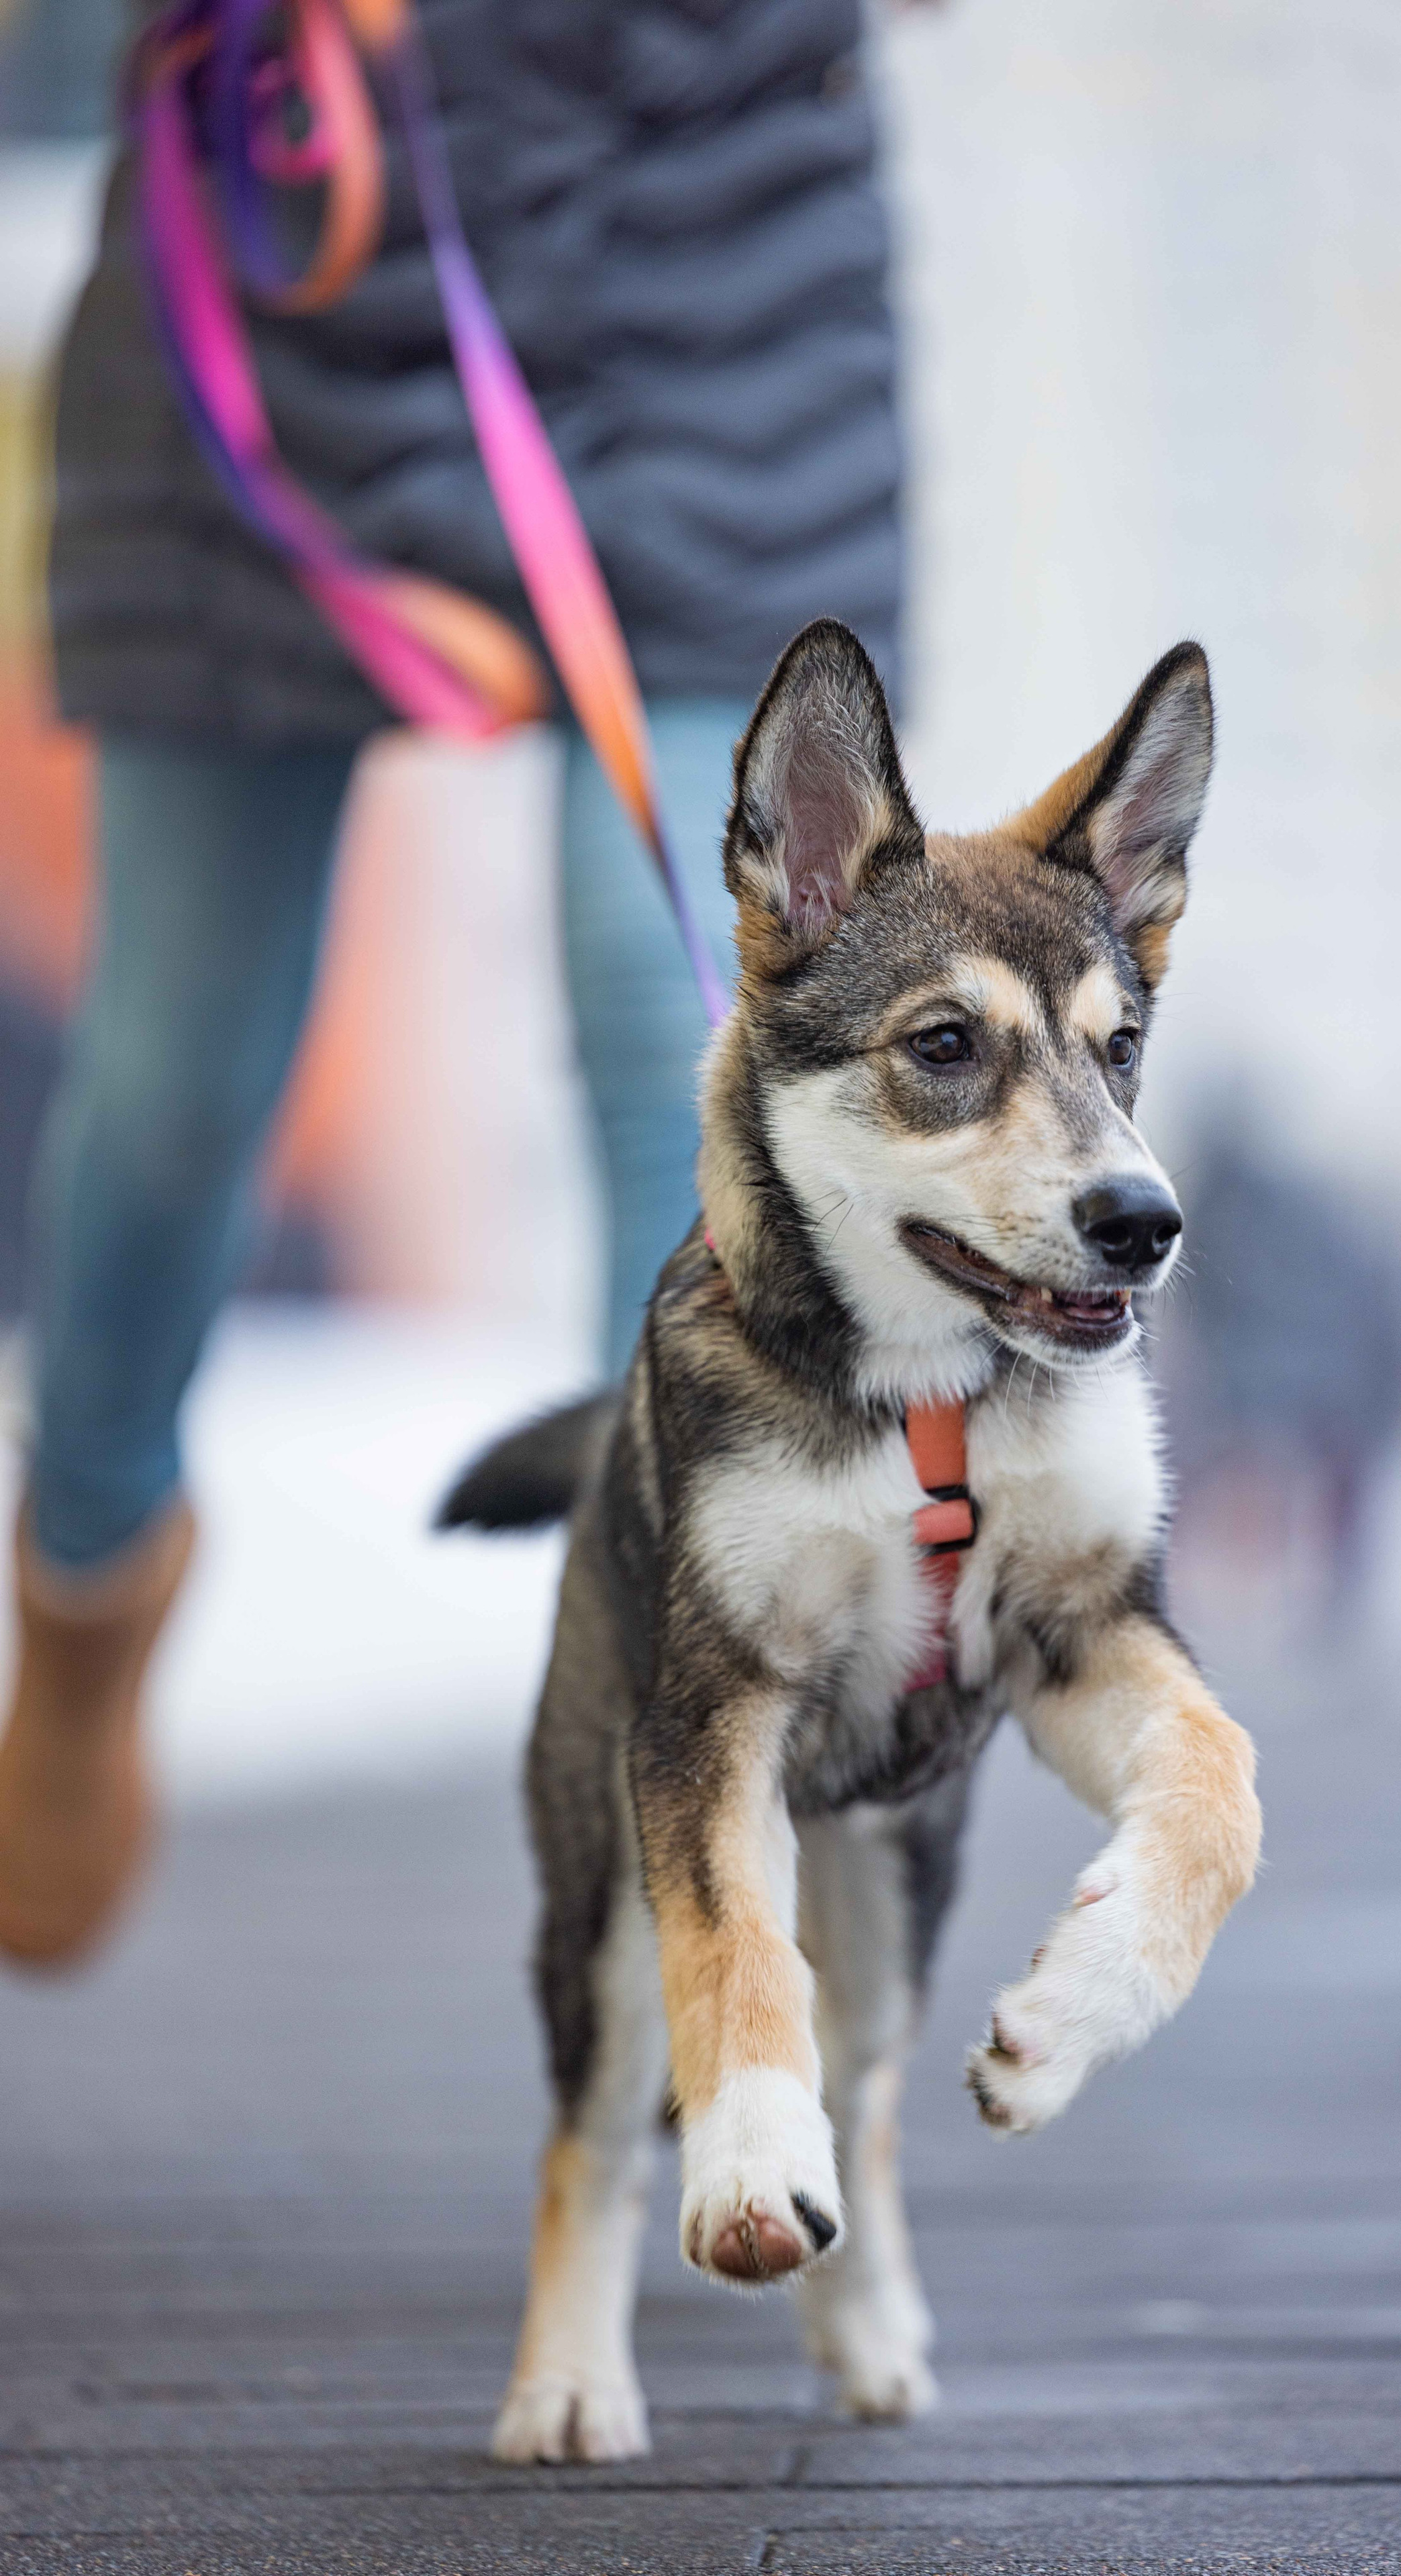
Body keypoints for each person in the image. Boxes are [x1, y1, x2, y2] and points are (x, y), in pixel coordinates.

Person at [0, 0, 904, 1967]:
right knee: (175, 1074)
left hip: (710, 225)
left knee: (663, 995)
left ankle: (686, 1758)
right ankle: (82, 1585)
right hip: (281, 201)